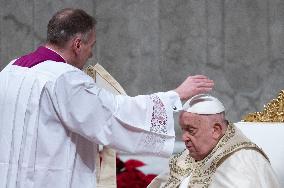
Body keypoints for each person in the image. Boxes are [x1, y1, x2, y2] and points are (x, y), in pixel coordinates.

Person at [0, 8, 214, 188]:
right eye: (90, 45)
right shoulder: (64, 79)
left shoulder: (11, 69)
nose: (91, 54)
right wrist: (175, 96)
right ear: (77, 44)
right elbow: (114, 115)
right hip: (50, 179)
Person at [148, 94, 280, 188]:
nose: (184, 137)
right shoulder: (187, 157)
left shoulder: (243, 162)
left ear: (216, 130)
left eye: (191, 130)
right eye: (183, 130)